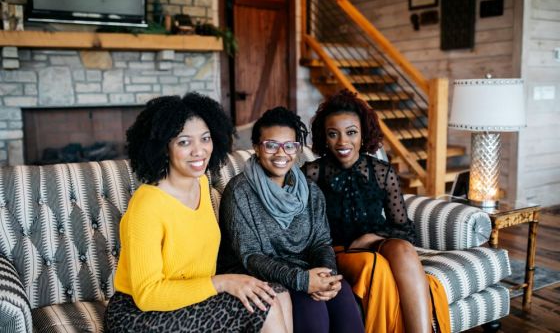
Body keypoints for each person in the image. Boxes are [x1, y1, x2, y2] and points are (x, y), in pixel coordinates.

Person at [104, 93, 290, 333]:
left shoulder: (201, 183)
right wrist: (222, 283)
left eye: (205, 139)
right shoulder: (147, 205)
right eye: (184, 142)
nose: (199, 151)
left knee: (277, 292)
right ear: (164, 147)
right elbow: (147, 295)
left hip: (189, 298)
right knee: (266, 304)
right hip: (139, 315)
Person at [302, 89, 450, 333]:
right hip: (336, 251)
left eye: (351, 133)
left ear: (363, 135)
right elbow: (305, 231)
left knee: (402, 248)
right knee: (377, 267)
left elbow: (404, 230)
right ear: (324, 138)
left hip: (372, 244)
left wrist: (371, 238)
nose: (342, 142)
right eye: (333, 134)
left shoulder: (382, 172)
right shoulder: (311, 174)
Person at [218, 107, 364, 333]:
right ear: (257, 147)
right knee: (312, 310)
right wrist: (302, 281)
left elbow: (321, 242)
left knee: (343, 297)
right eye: (271, 145)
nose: (280, 154)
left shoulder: (311, 191)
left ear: (297, 150)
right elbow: (250, 256)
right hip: (257, 275)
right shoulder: (239, 191)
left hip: (304, 272)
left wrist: (325, 274)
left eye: (289, 146)